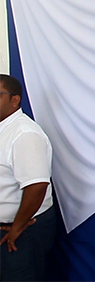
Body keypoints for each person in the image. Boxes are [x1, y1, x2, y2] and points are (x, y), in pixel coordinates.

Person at [0, 74, 56, 281]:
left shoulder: (24, 134)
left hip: (21, 230)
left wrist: (17, 228)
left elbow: (37, 186)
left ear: (14, 100)